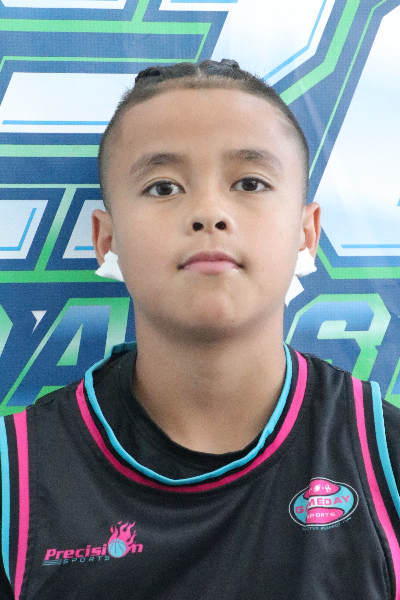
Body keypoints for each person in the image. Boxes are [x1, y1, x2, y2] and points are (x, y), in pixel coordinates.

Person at [1, 59, 400, 600]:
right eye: (163, 187)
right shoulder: (18, 479)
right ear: (106, 239)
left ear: (306, 233)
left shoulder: (386, 459)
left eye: (250, 182)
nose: (209, 212)